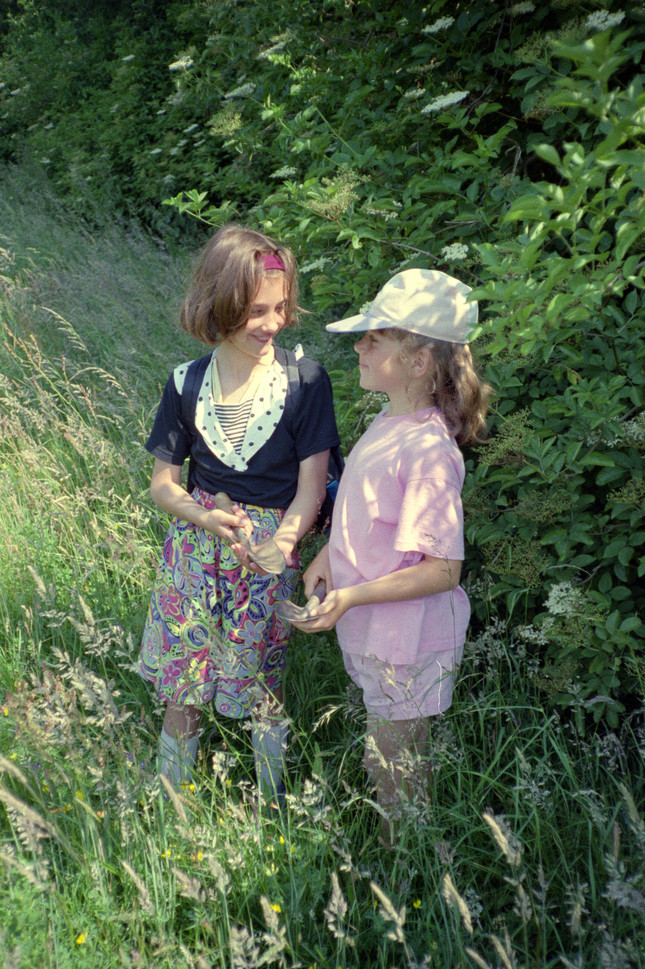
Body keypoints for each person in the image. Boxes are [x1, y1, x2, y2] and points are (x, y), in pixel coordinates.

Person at [139, 225, 340, 803]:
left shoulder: (304, 382)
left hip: (267, 554)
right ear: (218, 305)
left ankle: (271, 803)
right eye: (256, 311)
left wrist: (282, 545)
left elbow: (311, 490)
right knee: (184, 681)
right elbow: (163, 485)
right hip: (195, 552)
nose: (273, 323)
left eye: (281, 307)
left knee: (262, 680)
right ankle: (171, 801)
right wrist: (205, 518)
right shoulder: (186, 383)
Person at [292, 268, 490, 835]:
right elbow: (369, 514)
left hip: (408, 642)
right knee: (384, 758)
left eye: (374, 339)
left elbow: (443, 570)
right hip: (382, 632)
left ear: (418, 361)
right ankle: (396, 852)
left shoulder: (428, 450)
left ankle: (405, 866)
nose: (359, 346)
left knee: (397, 771)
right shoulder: (389, 420)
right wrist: (330, 555)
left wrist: (352, 596)